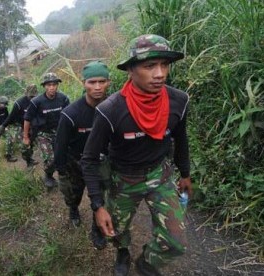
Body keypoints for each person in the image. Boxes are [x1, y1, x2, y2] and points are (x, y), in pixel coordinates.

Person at [81, 34, 192, 276]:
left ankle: (146, 262)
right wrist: (98, 205)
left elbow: (181, 139)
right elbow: (89, 159)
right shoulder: (110, 110)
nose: (160, 73)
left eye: (164, 65)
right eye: (150, 66)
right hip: (123, 179)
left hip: (159, 176)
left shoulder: (178, 101)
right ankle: (123, 252)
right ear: (131, 70)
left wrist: (185, 173)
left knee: (176, 243)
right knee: (117, 230)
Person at [54, 61, 111, 252]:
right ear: (84, 83)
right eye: (92, 82)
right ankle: (73, 208)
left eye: (101, 81)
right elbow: (60, 145)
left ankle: (97, 229)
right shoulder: (71, 114)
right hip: (75, 161)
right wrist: (61, 170)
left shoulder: (114, 107)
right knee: (73, 194)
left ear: (108, 82)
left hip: (100, 162)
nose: (97, 87)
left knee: (100, 198)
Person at [23, 73, 70, 188]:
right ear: (44, 86)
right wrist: (26, 137)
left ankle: (64, 175)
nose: (52, 87)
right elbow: (27, 119)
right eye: (49, 85)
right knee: (50, 159)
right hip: (43, 134)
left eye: (54, 84)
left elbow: (69, 116)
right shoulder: (37, 102)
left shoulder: (63, 98)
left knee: (63, 156)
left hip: (59, 132)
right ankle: (48, 175)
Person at [0, 84, 39, 167]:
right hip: (17, 125)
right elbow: (11, 116)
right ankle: (28, 161)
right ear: (26, 94)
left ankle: (29, 157)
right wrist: (3, 125)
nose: (32, 98)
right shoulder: (19, 103)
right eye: (30, 96)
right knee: (24, 145)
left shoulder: (38, 101)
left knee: (31, 142)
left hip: (30, 124)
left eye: (33, 96)